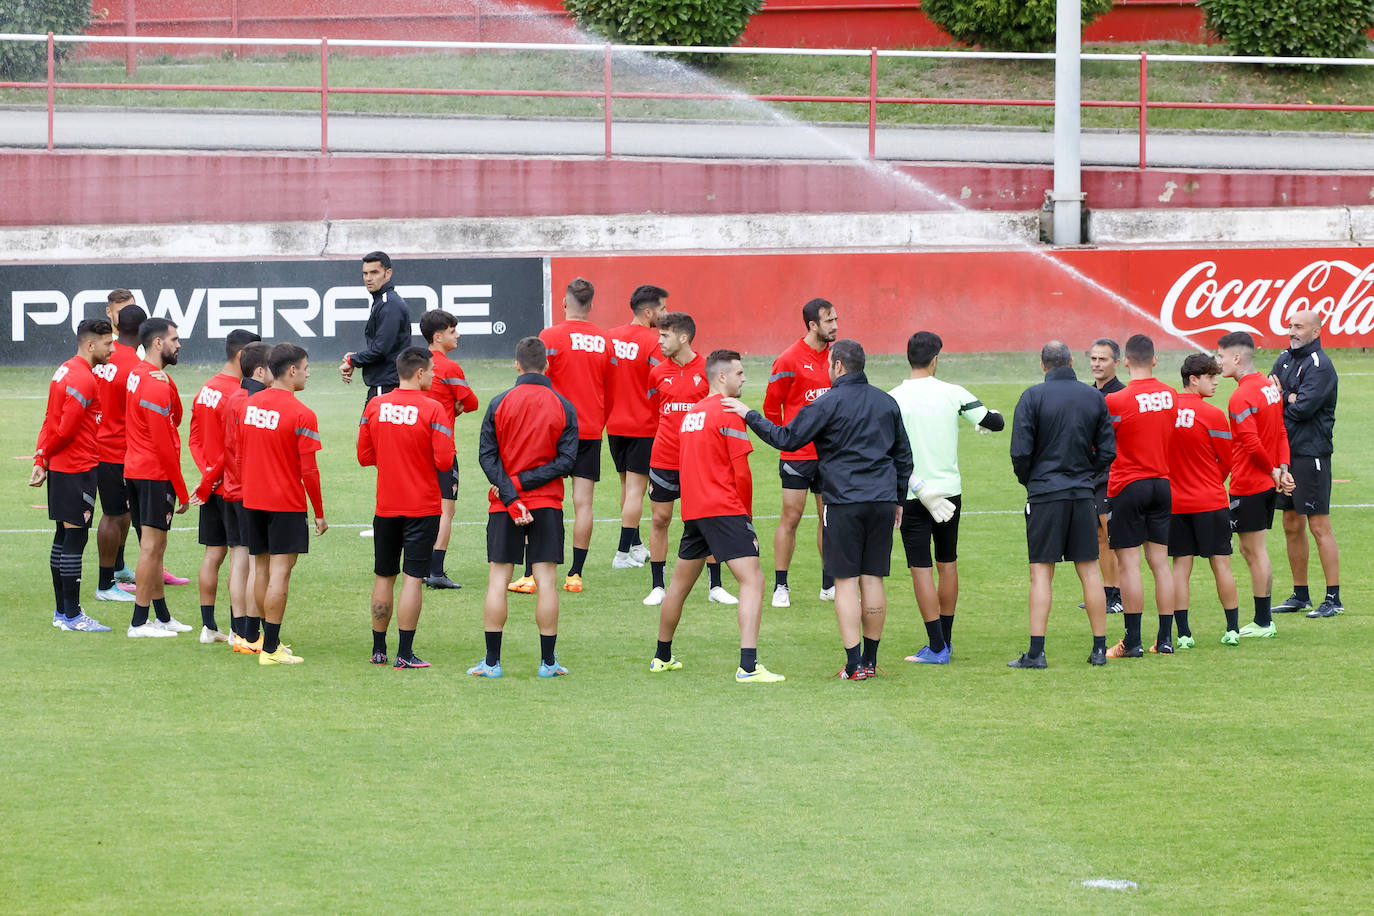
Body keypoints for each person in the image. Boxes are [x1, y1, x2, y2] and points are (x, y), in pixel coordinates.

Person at [727, 338, 912, 681]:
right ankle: (870, 662)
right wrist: (898, 498)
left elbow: (786, 439)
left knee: (845, 582)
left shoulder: (828, 403)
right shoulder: (887, 402)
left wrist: (748, 415)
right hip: (883, 502)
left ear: (838, 366)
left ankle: (854, 664)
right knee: (873, 579)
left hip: (843, 502)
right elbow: (903, 456)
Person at [654, 350, 785, 683]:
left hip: (695, 511)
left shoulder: (691, 416)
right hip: (724, 509)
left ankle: (661, 657)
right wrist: (747, 518)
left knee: (678, 587)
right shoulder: (728, 413)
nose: (744, 379)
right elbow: (741, 472)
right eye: (739, 373)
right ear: (721, 377)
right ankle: (749, 666)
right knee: (753, 580)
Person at [888, 331, 1004, 665]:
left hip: (913, 493)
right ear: (936, 358)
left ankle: (937, 646)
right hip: (950, 494)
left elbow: (887, 451)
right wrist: (990, 415)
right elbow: (993, 422)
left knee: (920, 569)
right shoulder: (953, 393)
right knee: (947, 562)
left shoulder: (892, 398)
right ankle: (946, 642)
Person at [470, 337, 578, 679]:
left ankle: (491, 663)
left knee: (497, 580)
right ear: (546, 366)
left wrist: (510, 491)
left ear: (516, 365)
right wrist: (522, 487)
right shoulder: (563, 405)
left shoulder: (500, 402)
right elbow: (566, 461)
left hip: (503, 505)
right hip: (547, 504)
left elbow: (487, 456)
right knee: (546, 581)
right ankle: (547, 663)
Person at [1008, 340, 1115, 668]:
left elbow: (1020, 452)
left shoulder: (1031, 397)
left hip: (1045, 495)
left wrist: (1033, 481)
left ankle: (1037, 653)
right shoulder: (1093, 396)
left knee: (1041, 573)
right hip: (1082, 493)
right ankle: (1099, 650)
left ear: (1043, 365)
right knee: (1090, 571)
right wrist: (1086, 473)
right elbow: (1108, 451)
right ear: (1071, 361)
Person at [358, 347, 457, 669]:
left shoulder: (375, 405)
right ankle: (405, 653)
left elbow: (364, 456)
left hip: (386, 507)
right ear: (419, 372)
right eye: (430, 372)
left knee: (383, 576)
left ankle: (378, 650)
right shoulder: (433, 409)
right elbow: (444, 461)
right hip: (422, 507)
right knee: (413, 578)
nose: (433, 376)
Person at [239, 343, 328, 666]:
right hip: (285, 503)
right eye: (306, 367)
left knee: (260, 568)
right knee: (280, 573)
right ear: (291, 371)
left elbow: (240, 451)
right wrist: (318, 513)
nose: (308, 373)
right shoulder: (302, 413)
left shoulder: (249, 406)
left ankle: (253, 637)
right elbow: (309, 471)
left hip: (253, 499)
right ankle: (271, 648)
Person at [642, 312, 735, 607]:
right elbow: (654, 411)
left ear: (683, 337)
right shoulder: (657, 372)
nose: (660, 341)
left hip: (700, 459)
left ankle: (715, 585)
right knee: (660, 518)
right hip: (664, 456)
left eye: (664, 336)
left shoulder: (707, 370)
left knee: (707, 519)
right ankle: (658, 586)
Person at [31, 317, 115, 632]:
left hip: (63, 467)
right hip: (77, 467)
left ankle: (61, 613)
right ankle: (73, 615)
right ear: (90, 344)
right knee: (75, 539)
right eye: (107, 343)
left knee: (63, 537)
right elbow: (64, 429)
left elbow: (49, 420)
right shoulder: (84, 379)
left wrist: (42, 457)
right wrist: (47, 455)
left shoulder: (63, 370)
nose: (111, 349)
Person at [193, 341, 272, 653]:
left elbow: (200, 439)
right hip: (247, 491)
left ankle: (234, 629)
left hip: (224, 486)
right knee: (254, 563)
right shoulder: (254, 402)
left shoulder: (224, 395)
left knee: (234, 559)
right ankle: (250, 632)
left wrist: (207, 479)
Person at [1104, 334, 1179, 658]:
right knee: (1161, 565)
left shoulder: (1117, 400)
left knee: (1129, 565)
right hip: (1162, 484)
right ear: (1155, 360)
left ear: (1123, 362)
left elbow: (1103, 445)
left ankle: (1131, 642)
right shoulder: (1170, 395)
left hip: (1127, 485)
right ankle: (1164, 640)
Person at [1218, 331, 1293, 642]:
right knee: (1255, 550)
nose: (1217, 362)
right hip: (1266, 479)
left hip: (1250, 482)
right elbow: (1280, 432)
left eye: (1220, 356)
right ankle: (1264, 619)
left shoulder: (1241, 396)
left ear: (1236, 358)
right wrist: (1282, 469)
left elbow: (1251, 443)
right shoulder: (1268, 386)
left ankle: (1263, 621)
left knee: (1253, 551)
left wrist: (1274, 471)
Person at [763, 297, 838, 608]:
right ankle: (781, 586)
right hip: (797, 456)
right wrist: (788, 441)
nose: (835, 325)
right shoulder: (788, 359)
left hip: (831, 456)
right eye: (829, 321)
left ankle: (829, 583)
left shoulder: (838, 357)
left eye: (836, 319)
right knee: (790, 518)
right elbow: (770, 408)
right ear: (812, 325)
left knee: (829, 519)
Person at [538, 277, 611, 593]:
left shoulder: (550, 336)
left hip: (555, 430)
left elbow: (540, 383)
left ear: (564, 303)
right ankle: (575, 574)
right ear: (591, 305)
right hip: (590, 428)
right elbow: (609, 386)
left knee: (543, 498)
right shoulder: (604, 341)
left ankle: (533, 570)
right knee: (584, 503)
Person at [1269, 309, 1342, 618]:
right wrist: (1288, 398)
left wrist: (1284, 397)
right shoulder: (1284, 359)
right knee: (1290, 523)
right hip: (1284, 453)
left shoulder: (1320, 366)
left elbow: (1304, 409)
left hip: (1311, 454)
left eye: (1299, 326)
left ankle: (1333, 598)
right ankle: (1301, 594)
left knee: (1318, 524)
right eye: (1290, 326)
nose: (1292, 331)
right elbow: (1271, 401)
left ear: (1315, 332)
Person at [123, 318, 194, 638]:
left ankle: (162, 616)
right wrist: (180, 488)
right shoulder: (154, 383)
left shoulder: (141, 375)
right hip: (153, 474)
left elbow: (174, 415)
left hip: (136, 470)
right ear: (157, 343)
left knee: (156, 546)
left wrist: (167, 381)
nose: (179, 345)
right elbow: (165, 440)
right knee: (151, 548)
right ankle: (139, 622)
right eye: (174, 339)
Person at [1168, 353, 1238, 649]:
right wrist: (1212, 480)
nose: (1216, 383)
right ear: (1193, 379)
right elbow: (1228, 459)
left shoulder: (1166, 411)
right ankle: (1232, 629)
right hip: (1210, 501)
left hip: (1175, 503)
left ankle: (1183, 634)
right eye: (1211, 378)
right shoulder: (1212, 415)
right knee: (1221, 564)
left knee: (1180, 567)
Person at [605, 284, 667, 569]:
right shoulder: (653, 342)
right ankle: (621, 555)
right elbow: (661, 378)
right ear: (648, 311)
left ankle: (637, 545)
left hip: (614, 424)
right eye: (662, 309)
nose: (664, 314)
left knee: (626, 486)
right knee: (636, 491)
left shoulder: (610, 338)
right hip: (643, 424)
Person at [420, 309, 479, 590]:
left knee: (418, 508)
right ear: (438, 336)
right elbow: (472, 402)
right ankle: (435, 571)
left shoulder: (415, 364)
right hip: (442, 449)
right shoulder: (449, 368)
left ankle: (416, 567)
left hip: (413, 449)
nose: (458, 334)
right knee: (446, 510)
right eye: (453, 330)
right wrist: (457, 405)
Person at [92, 299, 145, 601]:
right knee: (114, 516)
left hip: (99, 444)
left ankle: (117, 568)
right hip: (116, 450)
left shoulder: (103, 356)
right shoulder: (133, 366)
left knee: (121, 513)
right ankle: (104, 585)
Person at [340, 251, 413, 403]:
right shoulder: (383, 301)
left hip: (386, 386)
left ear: (388, 273)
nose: (368, 278)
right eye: (365, 273)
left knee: (368, 427)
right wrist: (355, 357)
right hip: (387, 383)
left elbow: (380, 350)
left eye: (374, 272)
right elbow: (383, 346)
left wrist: (353, 360)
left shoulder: (389, 304)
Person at [1086, 338, 1125, 615]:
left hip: (1112, 474)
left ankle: (1120, 593)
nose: (1097, 364)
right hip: (1091, 474)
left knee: (1113, 535)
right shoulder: (1087, 394)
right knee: (1099, 536)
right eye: (1094, 359)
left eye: (1103, 359)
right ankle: (1108, 591)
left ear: (1117, 363)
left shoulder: (1121, 395)